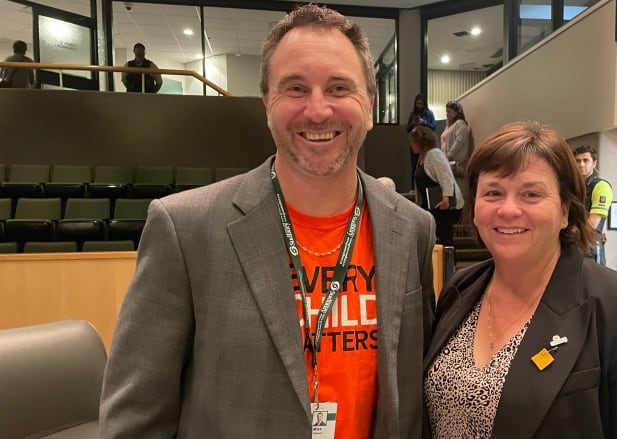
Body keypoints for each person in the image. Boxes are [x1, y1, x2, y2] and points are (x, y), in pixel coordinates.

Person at [100, 4, 436, 439]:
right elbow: (135, 418)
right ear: (267, 104)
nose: (318, 111)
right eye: (295, 88)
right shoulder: (185, 229)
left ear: (369, 106)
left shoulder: (412, 229)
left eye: (339, 88)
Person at [424, 121, 617, 438]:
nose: (508, 209)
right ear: (475, 208)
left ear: (565, 211)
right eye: (494, 192)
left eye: (531, 194)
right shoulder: (460, 290)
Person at [410, 125, 463, 247]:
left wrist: (446, 198)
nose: (411, 144)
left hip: (441, 205)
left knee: (445, 237)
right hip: (430, 205)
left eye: (413, 141)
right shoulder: (422, 157)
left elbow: (446, 176)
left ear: (421, 142)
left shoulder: (434, 154)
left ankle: (450, 265)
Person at [573, 144, 613, 265]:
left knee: (593, 282)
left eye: (586, 160)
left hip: (590, 247)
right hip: (574, 245)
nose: (581, 165)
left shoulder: (601, 186)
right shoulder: (573, 187)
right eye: (578, 161)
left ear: (594, 164)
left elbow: (592, 224)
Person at [440, 101, 471, 194]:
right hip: (446, 161)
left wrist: (448, 156)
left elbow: (459, 142)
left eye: (449, 112)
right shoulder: (449, 126)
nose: (447, 114)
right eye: (446, 112)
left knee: (458, 189)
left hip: (455, 163)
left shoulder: (460, 124)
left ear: (457, 112)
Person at [406, 94, 437, 187]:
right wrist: (413, 123)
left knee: (426, 163)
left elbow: (434, 126)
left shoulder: (429, 113)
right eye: (417, 104)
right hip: (415, 142)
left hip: (425, 143)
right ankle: (413, 187)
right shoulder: (413, 114)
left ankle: (425, 185)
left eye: (421, 104)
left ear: (424, 104)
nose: (419, 106)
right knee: (415, 166)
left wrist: (424, 122)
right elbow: (407, 129)